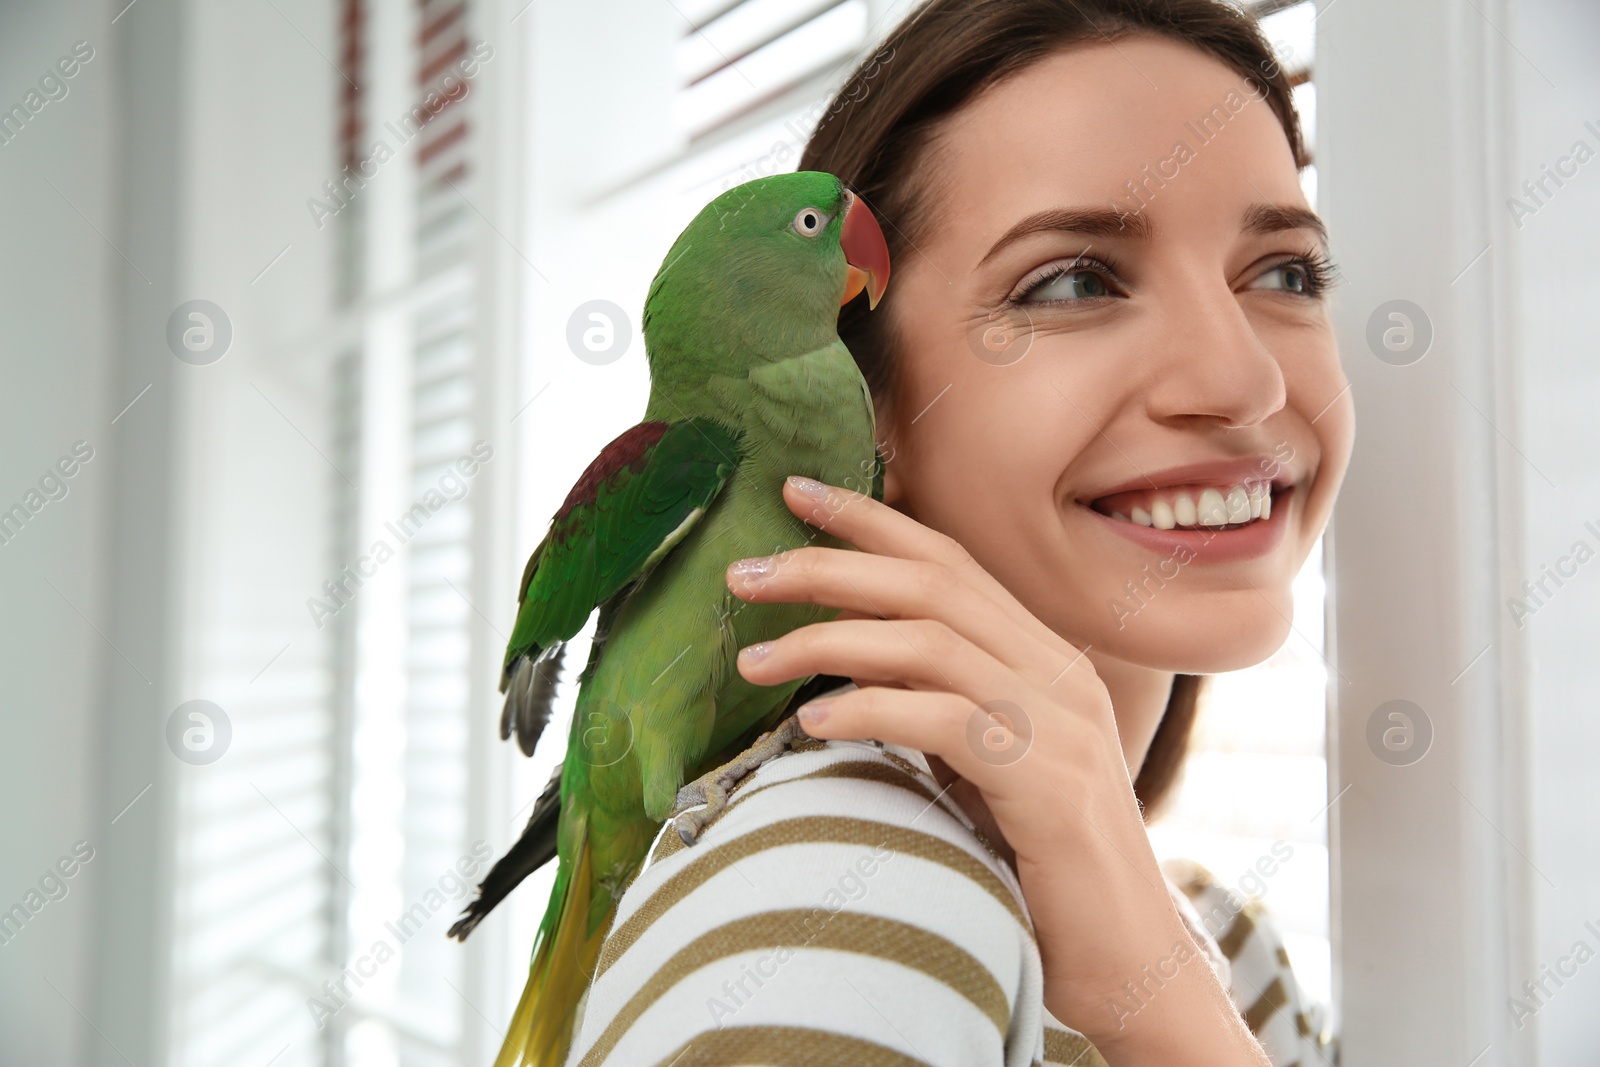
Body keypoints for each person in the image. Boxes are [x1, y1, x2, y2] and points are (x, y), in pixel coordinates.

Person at [561, 0, 1354, 1063]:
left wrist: (1158, 993)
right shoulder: (832, 904)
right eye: (1073, 281)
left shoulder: (1218, 935)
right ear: (864, 400)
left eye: (1284, 273)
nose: (1243, 380)